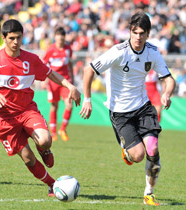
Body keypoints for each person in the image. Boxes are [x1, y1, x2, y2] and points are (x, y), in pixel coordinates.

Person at [80, 12, 175, 206]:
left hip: (143, 106)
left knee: (153, 148)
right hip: (120, 112)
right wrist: (87, 99)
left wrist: (166, 93)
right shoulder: (118, 51)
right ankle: (128, 150)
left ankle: (149, 193)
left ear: (148, 34)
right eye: (134, 32)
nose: (138, 37)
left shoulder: (153, 51)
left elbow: (168, 78)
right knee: (138, 156)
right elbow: (89, 70)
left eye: (142, 33)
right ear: (129, 32)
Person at [0, 19, 81, 196]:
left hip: (27, 111)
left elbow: (50, 73)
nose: (16, 42)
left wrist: (69, 86)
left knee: (45, 140)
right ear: (4, 38)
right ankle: (52, 184)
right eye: (11, 38)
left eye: (19, 38)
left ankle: (44, 150)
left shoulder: (30, 59)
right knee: (27, 158)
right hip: (5, 118)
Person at [43, 26, 74, 141]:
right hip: (52, 81)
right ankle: (53, 132)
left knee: (69, 104)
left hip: (65, 81)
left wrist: (72, 79)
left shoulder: (68, 49)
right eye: (58, 35)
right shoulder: (50, 49)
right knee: (54, 106)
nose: (60, 37)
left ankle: (63, 129)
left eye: (62, 35)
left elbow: (69, 64)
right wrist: (44, 79)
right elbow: (44, 64)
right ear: (55, 37)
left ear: (64, 37)